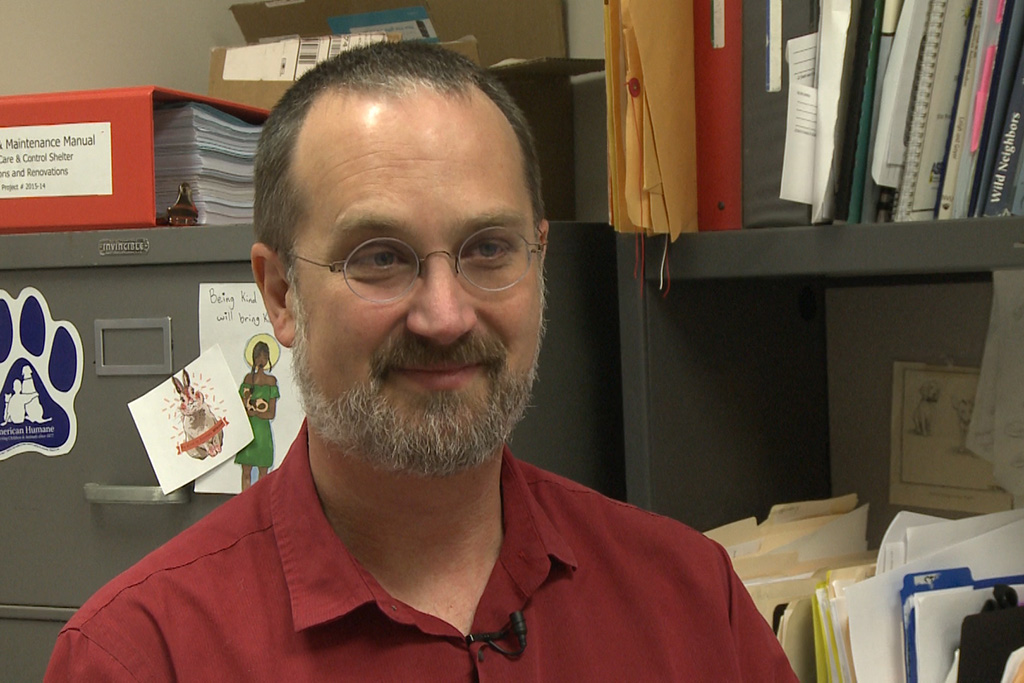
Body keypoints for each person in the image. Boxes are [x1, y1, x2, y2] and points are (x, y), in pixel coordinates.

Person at [45, 41, 797, 680]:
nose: (444, 315)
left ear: (539, 259)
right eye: (380, 258)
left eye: (488, 249)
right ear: (279, 292)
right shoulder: (142, 654)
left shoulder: (691, 600)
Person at [235, 338, 280, 490]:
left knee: (263, 475)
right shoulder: (248, 379)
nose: (262, 360)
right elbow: (241, 409)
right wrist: (251, 410)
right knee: (246, 472)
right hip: (249, 432)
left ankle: (261, 505)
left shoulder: (271, 381)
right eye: (259, 356)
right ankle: (245, 503)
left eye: (264, 356)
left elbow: (271, 413)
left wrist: (255, 412)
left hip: (262, 433)